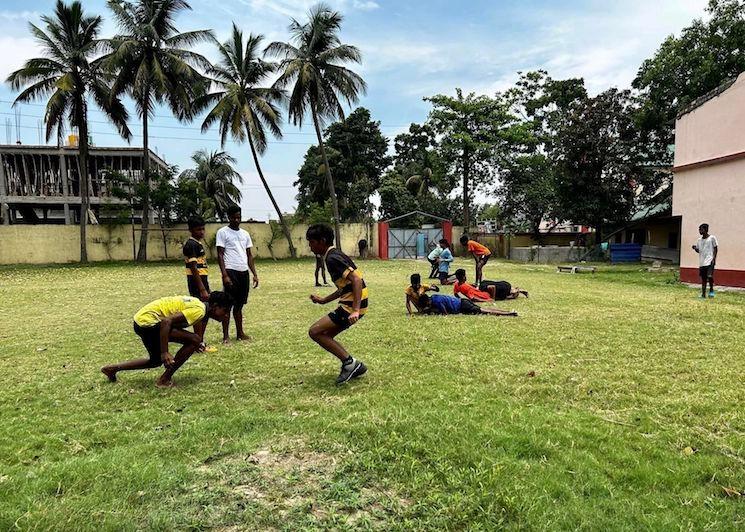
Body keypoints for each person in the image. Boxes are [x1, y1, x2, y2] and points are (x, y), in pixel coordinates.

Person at [101, 292, 233, 387]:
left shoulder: (199, 306)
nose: (226, 315)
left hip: (140, 321)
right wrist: (165, 352)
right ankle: (164, 379)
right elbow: (166, 321)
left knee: (155, 361)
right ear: (215, 306)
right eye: (225, 310)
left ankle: (112, 368)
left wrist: (195, 342)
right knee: (194, 340)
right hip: (148, 323)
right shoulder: (199, 311)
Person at [307, 224, 368, 385]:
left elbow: (356, 280)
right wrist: (323, 300)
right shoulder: (334, 254)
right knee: (324, 335)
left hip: (351, 305)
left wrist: (355, 309)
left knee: (315, 332)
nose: (310, 246)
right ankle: (353, 365)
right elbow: (344, 287)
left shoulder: (332, 258)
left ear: (322, 241)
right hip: (355, 302)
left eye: (312, 242)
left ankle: (350, 364)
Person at [216, 205, 259, 343]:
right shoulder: (222, 232)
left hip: (243, 272)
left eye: (239, 217)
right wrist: (224, 275)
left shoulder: (245, 234)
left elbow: (249, 255)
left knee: (239, 305)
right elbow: (220, 254)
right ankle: (226, 336)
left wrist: (255, 274)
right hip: (230, 271)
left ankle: (240, 333)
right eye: (234, 217)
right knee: (227, 305)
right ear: (228, 217)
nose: (236, 220)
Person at [453, 269, 528, 301]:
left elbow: (456, 294)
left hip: (495, 287)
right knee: (506, 294)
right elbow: (473, 298)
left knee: (508, 296)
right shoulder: (464, 286)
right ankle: (518, 290)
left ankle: (517, 290)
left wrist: (492, 299)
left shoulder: (457, 284)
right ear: (463, 277)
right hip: (486, 289)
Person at [417, 293, 517, 317]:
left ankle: (508, 313)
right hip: (462, 301)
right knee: (484, 309)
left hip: (462, 306)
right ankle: (508, 312)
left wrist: (431, 312)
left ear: (427, 303)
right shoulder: (434, 297)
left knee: (484, 311)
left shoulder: (436, 302)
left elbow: (445, 313)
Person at [692, 223, 718, 298]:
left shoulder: (712, 238)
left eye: (701, 229)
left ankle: (711, 290)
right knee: (703, 279)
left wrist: (714, 259)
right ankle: (703, 295)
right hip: (702, 262)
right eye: (699, 229)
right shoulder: (699, 240)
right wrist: (695, 248)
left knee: (709, 276)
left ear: (706, 229)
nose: (699, 231)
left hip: (710, 260)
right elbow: (699, 250)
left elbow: (716, 248)